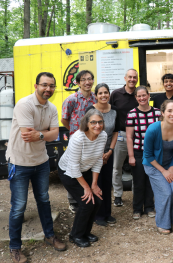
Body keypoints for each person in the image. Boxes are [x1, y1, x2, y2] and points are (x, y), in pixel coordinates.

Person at [6, 72, 66, 263]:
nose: (48, 89)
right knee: (19, 207)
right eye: (45, 85)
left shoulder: (52, 108)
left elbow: (55, 134)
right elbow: (26, 135)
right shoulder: (25, 104)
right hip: (20, 162)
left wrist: (41, 134)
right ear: (36, 86)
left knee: (44, 199)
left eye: (52, 86)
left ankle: (49, 236)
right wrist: (45, 133)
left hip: (41, 161)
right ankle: (15, 248)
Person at [58, 109, 107, 247]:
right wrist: (86, 187)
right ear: (86, 123)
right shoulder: (78, 138)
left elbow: (98, 160)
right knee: (87, 203)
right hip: (68, 171)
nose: (97, 125)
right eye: (93, 122)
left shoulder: (102, 136)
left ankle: (85, 232)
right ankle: (76, 235)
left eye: (100, 122)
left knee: (97, 201)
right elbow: (73, 167)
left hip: (84, 170)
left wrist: (94, 184)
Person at [143, 100, 173, 234]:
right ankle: (162, 223)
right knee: (166, 193)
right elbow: (148, 155)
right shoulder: (153, 129)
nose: (172, 114)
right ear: (162, 112)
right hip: (153, 166)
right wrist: (163, 171)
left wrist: (171, 169)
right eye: (169, 111)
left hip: (170, 165)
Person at [61, 70, 97, 213]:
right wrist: (74, 132)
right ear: (77, 82)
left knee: (86, 168)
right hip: (76, 141)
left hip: (91, 141)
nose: (87, 82)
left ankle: (87, 197)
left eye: (89, 79)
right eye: (83, 79)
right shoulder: (72, 99)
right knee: (72, 168)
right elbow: (64, 119)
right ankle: (73, 200)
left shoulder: (95, 99)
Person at [85, 83, 120, 226]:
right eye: (100, 93)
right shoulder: (90, 110)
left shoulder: (115, 111)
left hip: (108, 153)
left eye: (106, 92)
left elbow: (116, 132)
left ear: (109, 94)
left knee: (106, 183)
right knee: (96, 183)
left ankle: (107, 213)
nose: (103, 95)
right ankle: (97, 215)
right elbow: (87, 131)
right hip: (94, 153)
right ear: (96, 95)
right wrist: (100, 154)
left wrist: (110, 151)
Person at [126, 86, 161, 219]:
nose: (142, 98)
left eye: (144, 95)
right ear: (136, 98)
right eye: (139, 96)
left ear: (149, 95)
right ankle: (137, 208)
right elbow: (129, 137)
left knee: (151, 180)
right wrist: (131, 156)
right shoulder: (132, 114)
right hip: (138, 152)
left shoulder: (158, 113)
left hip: (154, 153)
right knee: (139, 181)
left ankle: (149, 207)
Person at [109, 69, 139, 207]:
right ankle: (118, 196)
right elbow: (110, 112)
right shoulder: (116, 94)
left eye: (135, 77)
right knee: (117, 167)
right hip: (120, 135)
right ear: (125, 78)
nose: (132, 79)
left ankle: (136, 195)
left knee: (136, 167)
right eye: (130, 77)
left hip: (137, 136)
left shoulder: (139, 94)